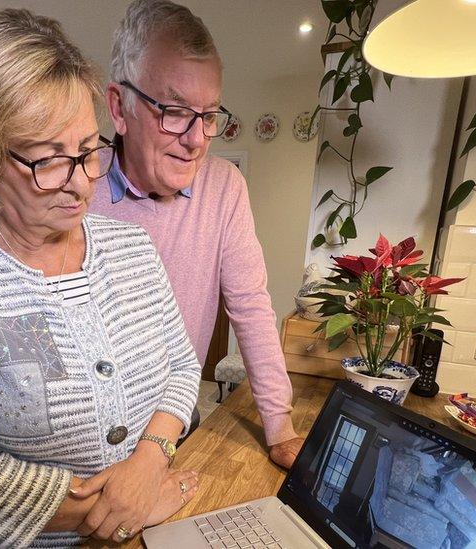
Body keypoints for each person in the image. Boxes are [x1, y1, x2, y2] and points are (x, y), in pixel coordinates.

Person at [0, 9, 201, 547]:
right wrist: (123, 506)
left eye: (88, 151)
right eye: (48, 160)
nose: (81, 183)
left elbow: (180, 365)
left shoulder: (132, 248)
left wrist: (151, 459)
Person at [89, 0, 306, 469]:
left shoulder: (225, 185)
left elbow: (249, 304)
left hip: (174, 420)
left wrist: (280, 427)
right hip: (85, 437)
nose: (196, 139)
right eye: (174, 110)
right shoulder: (77, 187)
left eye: (207, 115)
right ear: (119, 107)